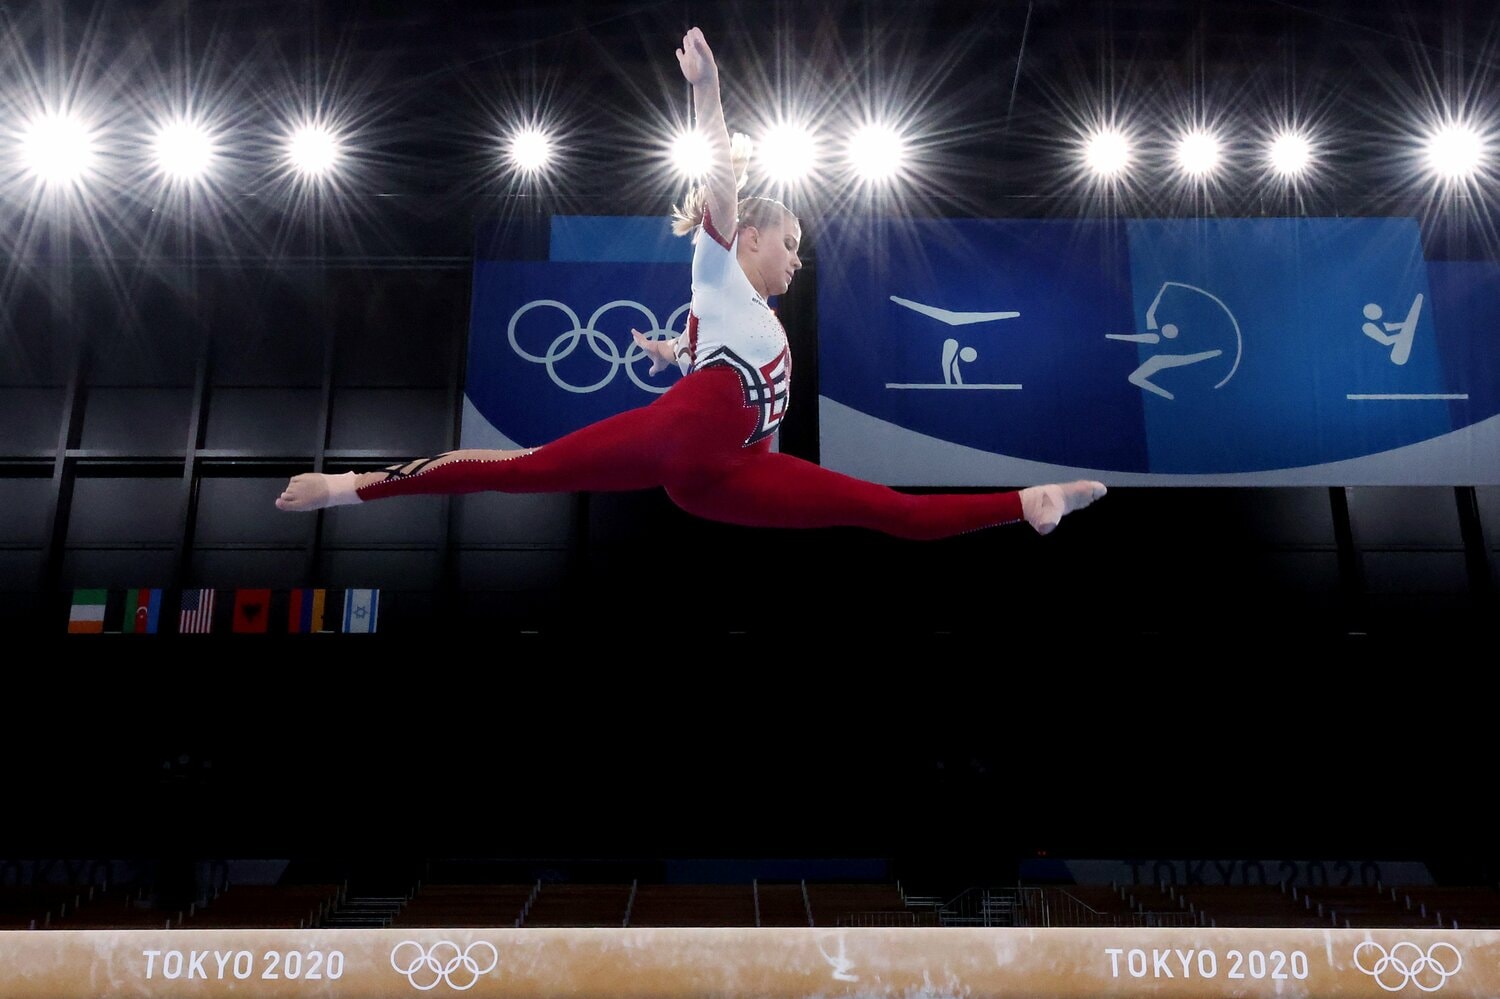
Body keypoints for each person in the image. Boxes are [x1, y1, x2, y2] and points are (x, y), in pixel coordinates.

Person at [276, 26, 1106, 538]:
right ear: (749, 237)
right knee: (519, 469)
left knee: (888, 510)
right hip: (683, 440)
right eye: (791, 244)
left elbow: (713, 351)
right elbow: (721, 185)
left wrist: (674, 352)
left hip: (729, 475)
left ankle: (1027, 501)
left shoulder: (739, 317)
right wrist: (707, 92)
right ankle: (344, 488)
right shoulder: (717, 266)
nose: (798, 260)